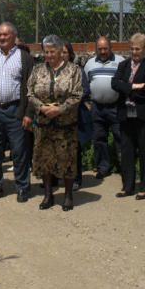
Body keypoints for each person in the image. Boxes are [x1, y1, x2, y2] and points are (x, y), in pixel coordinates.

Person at [0, 22, 34, 203]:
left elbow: (31, 88)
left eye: (5, 35)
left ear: (14, 37)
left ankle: (22, 187)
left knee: (19, 152)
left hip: (15, 111)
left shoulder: (25, 58)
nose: (1, 38)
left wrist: (28, 113)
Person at [27, 35, 83, 211]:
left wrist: (60, 109)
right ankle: (48, 195)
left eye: (52, 52)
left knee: (67, 160)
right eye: (46, 52)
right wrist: (42, 108)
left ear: (60, 51)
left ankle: (67, 196)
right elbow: (29, 93)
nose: (49, 55)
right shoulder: (37, 70)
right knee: (45, 160)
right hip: (43, 124)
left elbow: (77, 95)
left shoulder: (73, 70)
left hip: (65, 125)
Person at [111, 33, 145, 200]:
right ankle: (128, 185)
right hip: (126, 114)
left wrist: (127, 87)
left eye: (137, 49)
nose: (134, 52)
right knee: (126, 150)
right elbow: (115, 83)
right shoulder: (124, 65)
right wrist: (135, 86)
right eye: (132, 48)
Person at [83, 36, 123, 180]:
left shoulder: (120, 61)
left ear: (110, 48)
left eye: (105, 48)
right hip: (97, 108)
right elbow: (85, 86)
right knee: (99, 139)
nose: (103, 51)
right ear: (96, 49)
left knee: (120, 137)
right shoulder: (89, 64)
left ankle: (124, 168)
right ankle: (103, 167)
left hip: (116, 107)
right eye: (100, 49)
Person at [65, 43, 90, 192]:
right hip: (56, 115)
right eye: (59, 52)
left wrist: (69, 100)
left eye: (65, 52)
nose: (62, 55)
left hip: (74, 115)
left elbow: (85, 90)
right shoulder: (51, 71)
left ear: (70, 54)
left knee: (74, 148)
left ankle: (76, 178)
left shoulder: (79, 71)